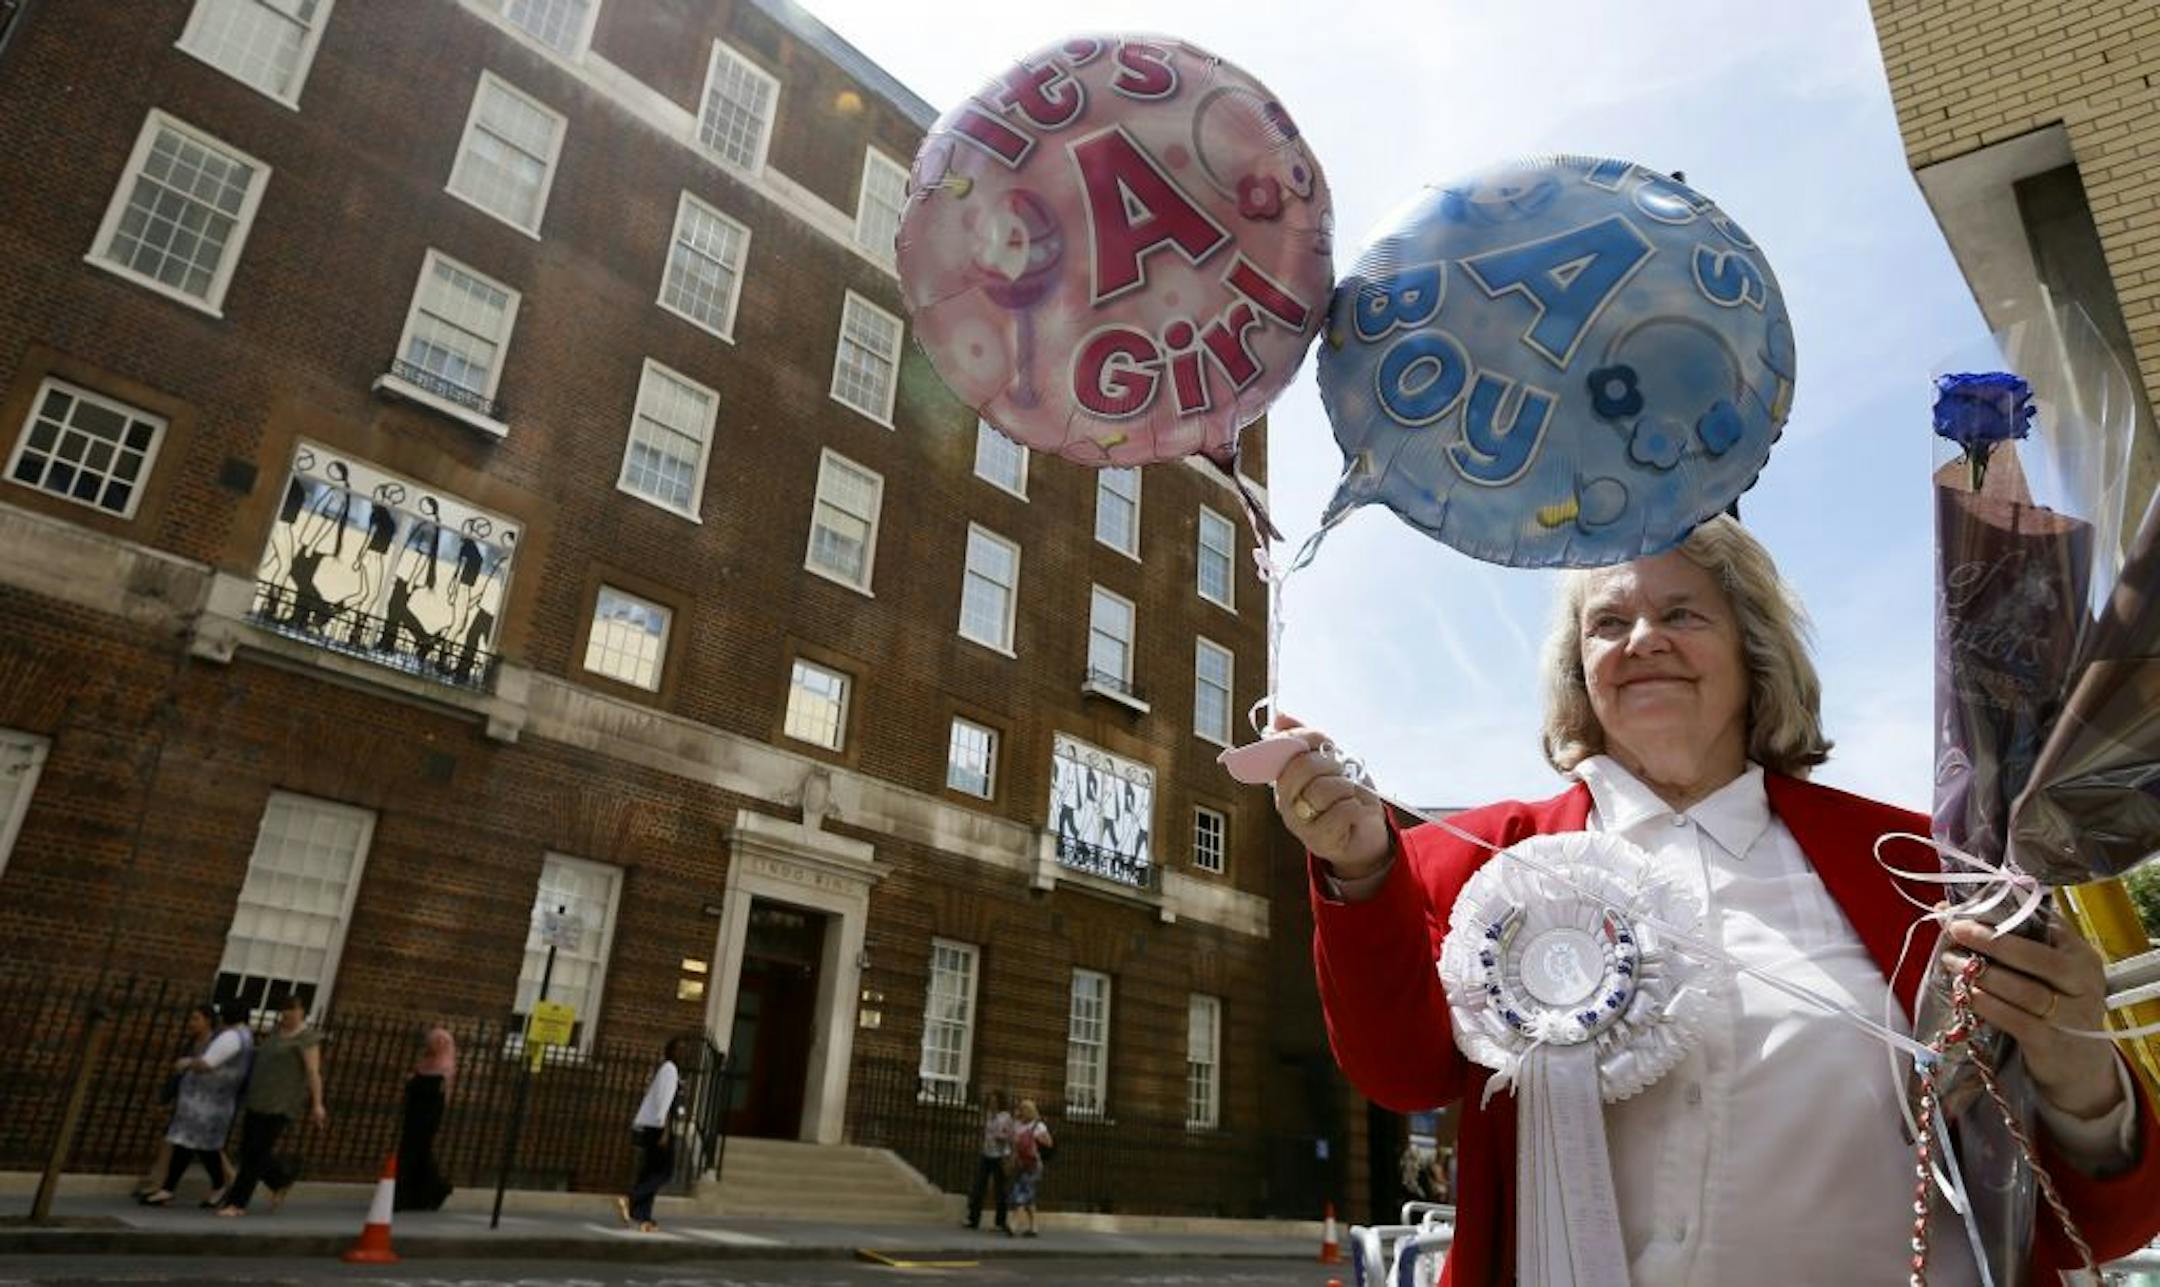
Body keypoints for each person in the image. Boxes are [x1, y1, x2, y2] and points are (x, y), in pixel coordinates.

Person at [1273, 516, 2160, 1285]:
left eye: (1683, 612)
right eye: (1607, 621)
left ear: (1753, 648)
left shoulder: (1929, 861)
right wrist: (1356, 866)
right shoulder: (1476, 860)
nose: (1642, 638)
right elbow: (1401, 1074)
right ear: (1580, 669)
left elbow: (2102, 1223)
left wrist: (2073, 1060)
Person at [215, 992, 325, 1217]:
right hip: (258, 1097)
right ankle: (279, 1179)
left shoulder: (307, 1038)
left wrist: (317, 1104)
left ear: (302, 1011)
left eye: (292, 1009)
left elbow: (313, 1072)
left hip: (281, 1102)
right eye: (283, 1009)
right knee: (248, 1150)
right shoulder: (275, 1032)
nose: (287, 1013)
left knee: (256, 1152)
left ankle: (237, 1203)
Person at [138, 1004, 249, 1206]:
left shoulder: (231, 1037)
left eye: (196, 1018)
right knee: (189, 1144)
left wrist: (187, 1063)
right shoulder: (241, 1036)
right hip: (203, 1102)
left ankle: (216, 1184)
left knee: (203, 1147)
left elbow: (207, 1063)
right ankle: (170, 1188)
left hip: (208, 1102)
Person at [616, 1037, 685, 1234]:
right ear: (670, 1052)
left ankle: (642, 1216)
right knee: (665, 1172)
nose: (683, 1054)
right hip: (659, 1127)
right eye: (679, 1049)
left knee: (650, 1171)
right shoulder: (670, 1069)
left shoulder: (669, 1071)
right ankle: (631, 1198)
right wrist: (664, 1129)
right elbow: (664, 1101)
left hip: (654, 1126)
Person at [394, 1024, 456, 1212]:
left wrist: (414, 1082)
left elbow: (434, 1094)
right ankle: (430, 1191)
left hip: (427, 1116)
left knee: (417, 1152)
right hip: (414, 1115)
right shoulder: (425, 1063)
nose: (433, 1045)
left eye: (438, 1042)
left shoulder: (443, 1068)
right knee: (417, 1153)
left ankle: (411, 1195)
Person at [963, 1089, 1014, 1232]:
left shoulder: (1006, 1117)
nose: (991, 1104)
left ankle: (1000, 1221)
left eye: (994, 1101)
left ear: (999, 1102)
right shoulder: (989, 1116)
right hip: (987, 1154)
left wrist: (1001, 1137)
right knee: (978, 1187)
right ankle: (973, 1219)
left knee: (1000, 1190)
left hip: (1000, 1156)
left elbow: (1010, 1137)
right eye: (990, 1101)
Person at [1005, 1098, 1052, 1237]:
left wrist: (1036, 1141)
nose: (1021, 1111)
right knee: (1029, 1197)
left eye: (1024, 1109)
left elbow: (1049, 1143)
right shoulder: (1017, 1125)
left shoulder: (1038, 1126)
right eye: (1020, 1108)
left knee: (1021, 1191)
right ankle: (1033, 1227)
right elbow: (1014, 1147)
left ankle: (1014, 1224)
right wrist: (1011, 1161)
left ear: (1030, 1111)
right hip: (1021, 1164)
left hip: (1034, 1165)